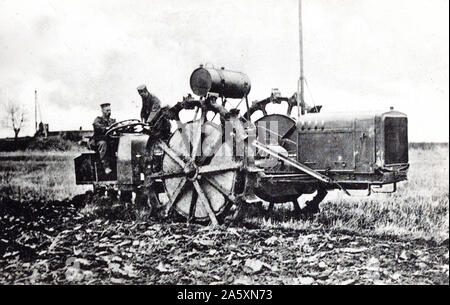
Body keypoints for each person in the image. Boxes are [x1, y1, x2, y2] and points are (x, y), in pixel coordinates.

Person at [89, 103, 117, 174]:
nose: (109, 112)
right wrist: (106, 128)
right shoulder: (98, 120)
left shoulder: (113, 121)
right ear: (102, 111)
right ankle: (106, 167)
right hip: (97, 141)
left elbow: (117, 127)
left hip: (110, 140)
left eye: (110, 110)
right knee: (103, 144)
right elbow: (98, 127)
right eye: (107, 110)